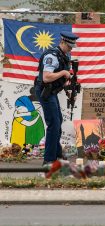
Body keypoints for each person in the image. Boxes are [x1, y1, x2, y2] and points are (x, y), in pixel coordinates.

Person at [34, 31, 79, 165]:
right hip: (45, 91)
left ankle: (57, 154)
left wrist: (68, 91)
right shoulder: (52, 56)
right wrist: (64, 73)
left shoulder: (63, 56)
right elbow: (46, 77)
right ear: (62, 42)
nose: (71, 49)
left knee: (57, 122)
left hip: (52, 91)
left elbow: (59, 81)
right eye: (69, 46)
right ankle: (49, 160)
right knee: (53, 124)